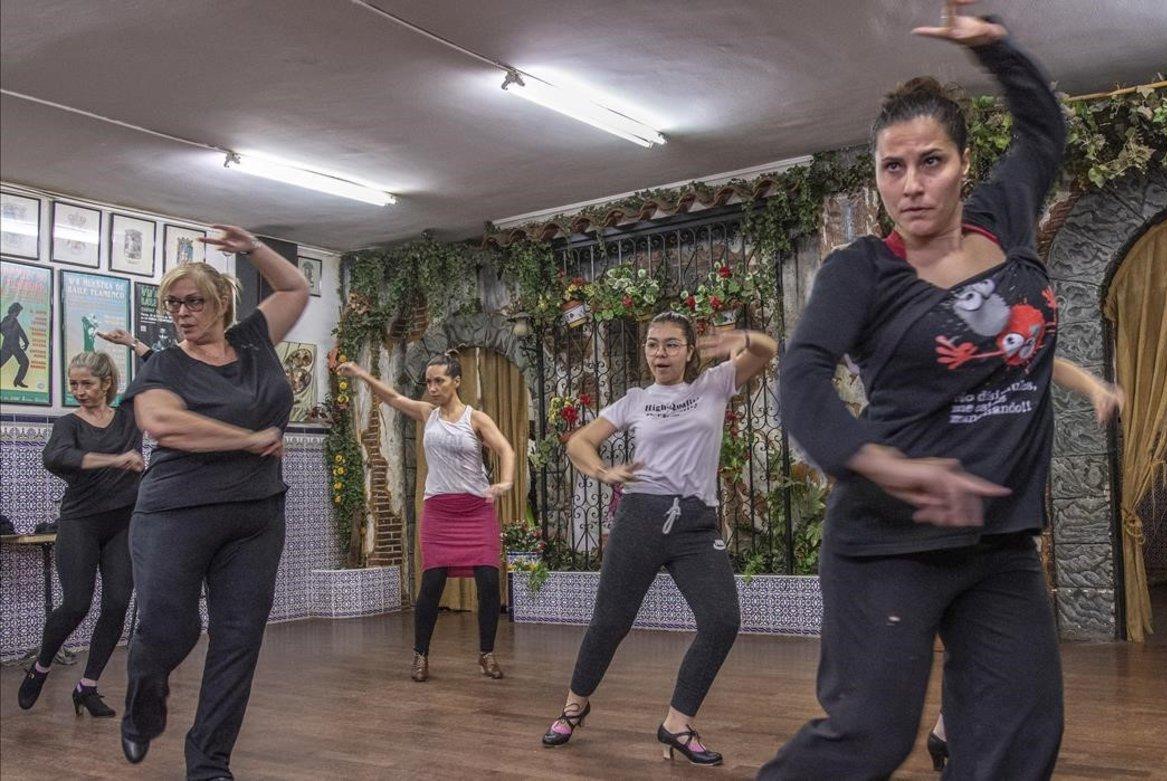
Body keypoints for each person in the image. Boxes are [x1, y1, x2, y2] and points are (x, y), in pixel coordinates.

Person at [762, 4, 1070, 778]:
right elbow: (800, 380)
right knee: (871, 735)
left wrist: (999, 49)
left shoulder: (1005, 218)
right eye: (892, 168)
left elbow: (1044, 132)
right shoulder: (860, 271)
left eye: (929, 162)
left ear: (965, 163)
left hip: (999, 541)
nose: (911, 185)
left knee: (1018, 736)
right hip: (886, 543)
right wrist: (886, 465)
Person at [541, 311, 777, 766]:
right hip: (641, 517)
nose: (660, 353)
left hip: (694, 523)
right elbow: (578, 443)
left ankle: (677, 723)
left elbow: (766, 351)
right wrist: (603, 471)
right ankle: (574, 706)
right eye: (652, 344)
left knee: (722, 620)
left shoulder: (713, 384)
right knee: (610, 623)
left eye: (671, 344)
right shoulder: (635, 400)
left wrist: (742, 337)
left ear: (689, 350)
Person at [118, 225, 308, 779]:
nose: (182, 313)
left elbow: (295, 290)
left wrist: (252, 248)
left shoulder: (252, 341)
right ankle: (144, 698)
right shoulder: (163, 366)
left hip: (255, 516)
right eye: (173, 304)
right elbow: (161, 424)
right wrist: (249, 440)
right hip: (175, 514)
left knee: (238, 642)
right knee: (166, 629)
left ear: (222, 301)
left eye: (193, 301)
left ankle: (208, 763)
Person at [926, 360, 1124, 771]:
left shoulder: (1013, 353)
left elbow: (1049, 360)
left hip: (1002, 525)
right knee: (971, 643)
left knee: (994, 647)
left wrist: (1095, 388)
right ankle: (949, 729)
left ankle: (948, 730)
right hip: (944, 521)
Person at [338, 352, 516, 681]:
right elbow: (391, 397)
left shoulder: (476, 419)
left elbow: (506, 449)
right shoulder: (427, 414)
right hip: (439, 512)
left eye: (439, 381)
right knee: (431, 584)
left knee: (489, 583)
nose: (432, 387)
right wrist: (362, 373)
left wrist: (504, 481)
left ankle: (486, 654)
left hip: (476, 510)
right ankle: (420, 656)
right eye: (429, 381)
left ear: (457, 382)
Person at [17, 351, 144, 717]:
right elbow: (56, 458)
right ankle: (41, 666)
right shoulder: (68, 425)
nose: (79, 391)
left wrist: (134, 342)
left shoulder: (128, 418)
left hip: (123, 523)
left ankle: (87, 686)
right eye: (73, 384)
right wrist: (115, 459)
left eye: (86, 383)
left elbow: (158, 373)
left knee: (118, 603)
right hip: (81, 523)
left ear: (106, 383)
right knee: (76, 604)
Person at [1, 301, 31, 387]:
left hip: (16, 347)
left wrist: (26, 342)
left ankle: (18, 380)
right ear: (14, 311)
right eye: (18, 312)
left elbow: (20, 331)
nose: (18, 313)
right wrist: (7, 332)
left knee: (25, 362)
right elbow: (2, 328)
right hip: (7, 348)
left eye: (19, 312)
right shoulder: (7, 319)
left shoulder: (15, 320)